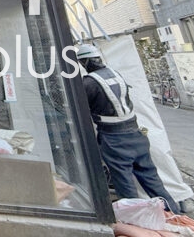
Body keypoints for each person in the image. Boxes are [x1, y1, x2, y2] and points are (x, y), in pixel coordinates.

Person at [76, 44, 178, 212]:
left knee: (124, 183)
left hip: (114, 138)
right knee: (152, 180)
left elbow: (80, 106)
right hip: (136, 133)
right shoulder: (115, 74)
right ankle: (173, 212)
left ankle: (134, 217)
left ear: (85, 62)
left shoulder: (89, 83)